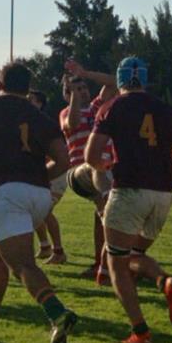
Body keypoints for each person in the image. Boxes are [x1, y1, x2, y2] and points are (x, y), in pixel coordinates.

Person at [0, 63, 77, 343]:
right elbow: (63, 159)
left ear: (0, 83)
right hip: (39, 196)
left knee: (22, 264)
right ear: (27, 86)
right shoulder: (40, 116)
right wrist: (37, 177)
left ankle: (58, 313)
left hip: (7, 193)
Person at [84, 57, 172, 343]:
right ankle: (164, 283)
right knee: (133, 256)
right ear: (145, 80)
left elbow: (91, 157)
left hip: (130, 190)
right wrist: (168, 164)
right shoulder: (167, 109)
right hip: (163, 194)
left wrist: (104, 168)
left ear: (119, 80)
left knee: (116, 263)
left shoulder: (112, 107)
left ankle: (140, 330)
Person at [61, 59, 118, 281]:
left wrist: (85, 73)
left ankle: (101, 264)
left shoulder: (97, 107)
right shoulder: (65, 112)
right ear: (66, 95)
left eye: (84, 88)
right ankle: (117, 258)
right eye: (75, 90)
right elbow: (73, 123)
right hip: (81, 172)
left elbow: (114, 83)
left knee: (101, 215)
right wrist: (73, 94)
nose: (82, 92)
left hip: (108, 170)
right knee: (98, 171)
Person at [27, 88, 66, 264]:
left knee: (44, 211)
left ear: (40, 104)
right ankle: (44, 247)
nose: (28, 100)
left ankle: (59, 251)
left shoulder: (44, 124)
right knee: (34, 211)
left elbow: (56, 155)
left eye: (32, 99)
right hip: (40, 173)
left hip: (54, 173)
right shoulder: (28, 122)